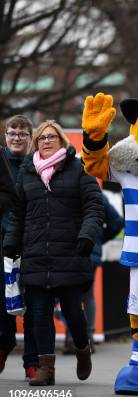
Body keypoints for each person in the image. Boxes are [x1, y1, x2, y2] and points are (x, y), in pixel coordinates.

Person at [3, 120, 103, 386]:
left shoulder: (79, 168)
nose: (46, 141)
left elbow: (94, 205)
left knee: (73, 312)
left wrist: (87, 235)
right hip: (35, 253)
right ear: (36, 143)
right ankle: (46, 368)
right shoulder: (27, 173)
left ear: (61, 140)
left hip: (69, 253)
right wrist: (11, 243)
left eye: (51, 137)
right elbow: (17, 213)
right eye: (42, 138)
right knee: (39, 313)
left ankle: (83, 348)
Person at [0, 115, 39, 380]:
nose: (17, 137)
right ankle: (5, 344)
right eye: (12, 133)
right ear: (5, 136)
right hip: (3, 245)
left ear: (30, 137)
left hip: (32, 241)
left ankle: (32, 363)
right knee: (4, 303)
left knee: (36, 305)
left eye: (23, 134)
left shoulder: (38, 163)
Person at [63, 193, 123, 354]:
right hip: (91, 252)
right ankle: (87, 338)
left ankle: (72, 339)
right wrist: (98, 239)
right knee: (87, 296)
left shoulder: (63, 187)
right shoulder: (98, 194)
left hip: (67, 250)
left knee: (68, 294)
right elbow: (117, 221)